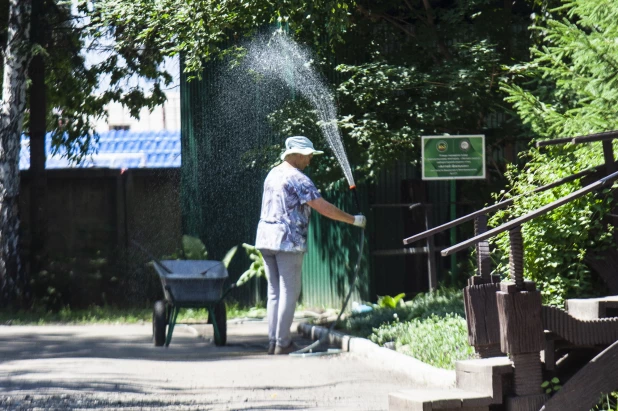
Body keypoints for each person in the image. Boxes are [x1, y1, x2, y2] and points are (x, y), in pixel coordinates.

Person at [255, 136, 366, 355]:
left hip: (265, 238)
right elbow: (322, 207)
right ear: (296, 154)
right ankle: (283, 342)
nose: (310, 160)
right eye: (308, 156)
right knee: (289, 291)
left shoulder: (273, 174)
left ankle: (273, 342)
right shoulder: (298, 178)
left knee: (274, 292)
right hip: (288, 240)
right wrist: (353, 219)